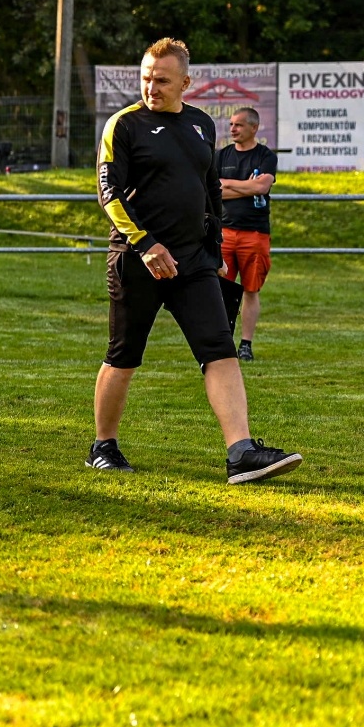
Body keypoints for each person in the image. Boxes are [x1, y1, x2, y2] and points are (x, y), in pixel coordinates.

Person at [91, 38, 302, 484]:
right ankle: (103, 446)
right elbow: (108, 195)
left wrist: (214, 249)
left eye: (162, 80)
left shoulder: (202, 125)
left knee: (219, 351)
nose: (152, 86)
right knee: (123, 356)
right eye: (146, 77)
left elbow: (210, 193)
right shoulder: (122, 126)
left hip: (194, 263)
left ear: (185, 82)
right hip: (137, 258)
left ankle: (240, 452)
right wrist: (146, 244)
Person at [215, 107, 277, 362]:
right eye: (231, 124)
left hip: (255, 233)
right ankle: (222, 343)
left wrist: (230, 184)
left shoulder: (265, 156)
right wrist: (249, 189)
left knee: (251, 290)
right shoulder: (221, 156)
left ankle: (246, 345)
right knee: (221, 290)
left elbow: (263, 185)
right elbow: (214, 190)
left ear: (254, 127)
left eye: (239, 125)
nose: (233, 129)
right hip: (224, 232)